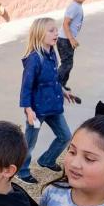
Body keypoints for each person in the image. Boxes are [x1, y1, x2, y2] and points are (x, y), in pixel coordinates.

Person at [18, 17, 77, 185]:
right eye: (51, 30)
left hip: (54, 106)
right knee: (29, 143)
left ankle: (47, 160)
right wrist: (28, 110)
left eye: (56, 30)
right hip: (37, 110)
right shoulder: (34, 59)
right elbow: (26, 87)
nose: (56, 33)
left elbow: (53, 79)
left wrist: (63, 91)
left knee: (65, 136)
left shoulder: (52, 53)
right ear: (39, 34)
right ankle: (22, 171)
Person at [57, 0, 86, 91]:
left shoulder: (77, 6)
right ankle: (55, 85)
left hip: (66, 39)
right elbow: (65, 23)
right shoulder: (74, 7)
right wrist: (71, 39)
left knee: (68, 64)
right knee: (66, 64)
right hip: (65, 39)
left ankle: (61, 85)